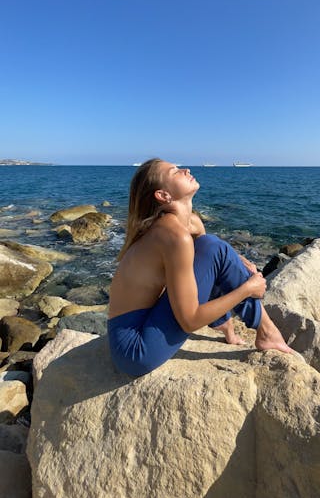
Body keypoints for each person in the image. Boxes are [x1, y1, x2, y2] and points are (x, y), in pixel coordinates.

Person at [107, 158, 292, 376]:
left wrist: (236, 258)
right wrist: (247, 289)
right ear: (163, 195)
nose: (186, 169)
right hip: (133, 350)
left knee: (212, 245)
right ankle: (267, 331)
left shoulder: (190, 223)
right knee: (215, 247)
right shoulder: (173, 235)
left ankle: (224, 324)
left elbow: (210, 262)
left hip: (142, 322)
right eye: (175, 171)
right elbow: (190, 321)